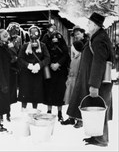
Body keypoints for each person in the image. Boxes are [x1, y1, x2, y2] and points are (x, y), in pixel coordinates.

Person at [66, 12, 114, 147]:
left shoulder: (99, 40)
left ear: (95, 25)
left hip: (99, 83)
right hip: (97, 81)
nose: (87, 25)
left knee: (100, 110)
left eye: (89, 23)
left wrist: (94, 85)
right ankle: (96, 136)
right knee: (95, 109)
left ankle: (102, 139)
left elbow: (99, 62)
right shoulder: (97, 37)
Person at [42, 24, 71, 121]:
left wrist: (58, 63)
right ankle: (49, 111)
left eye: (54, 29)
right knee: (48, 89)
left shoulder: (60, 37)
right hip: (48, 68)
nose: (52, 31)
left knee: (60, 89)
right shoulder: (45, 39)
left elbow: (65, 53)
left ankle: (59, 112)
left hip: (60, 68)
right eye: (50, 29)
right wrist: (50, 63)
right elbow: (42, 53)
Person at [17, 25, 50, 110]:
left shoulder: (42, 46)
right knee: (25, 92)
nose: (34, 36)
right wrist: (28, 65)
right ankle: (23, 110)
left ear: (39, 34)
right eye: (32, 33)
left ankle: (34, 111)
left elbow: (47, 58)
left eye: (36, 33)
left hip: (37, 73)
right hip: (26, 73)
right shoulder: (25, 46)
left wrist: (39, 65)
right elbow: (20, 58)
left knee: (36, 94)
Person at [61, 40, 84, 126]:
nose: (71, 48)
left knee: (77, 99)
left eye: (73, 46)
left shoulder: (81, 57)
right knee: (71, 99)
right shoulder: (76, 57)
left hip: (76, 81)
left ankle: (79, 119)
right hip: (71, 80)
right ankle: (71, 117)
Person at [6, 22, 22, 121]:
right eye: (13, 30)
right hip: (6, 66)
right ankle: (4, 112)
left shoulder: (18, 39)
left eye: (16, 30)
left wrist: (16, 58)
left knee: (11, 91)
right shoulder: (5, 37)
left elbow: (18, 50)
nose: (15, 32)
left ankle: (8, 112)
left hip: (14, 68)